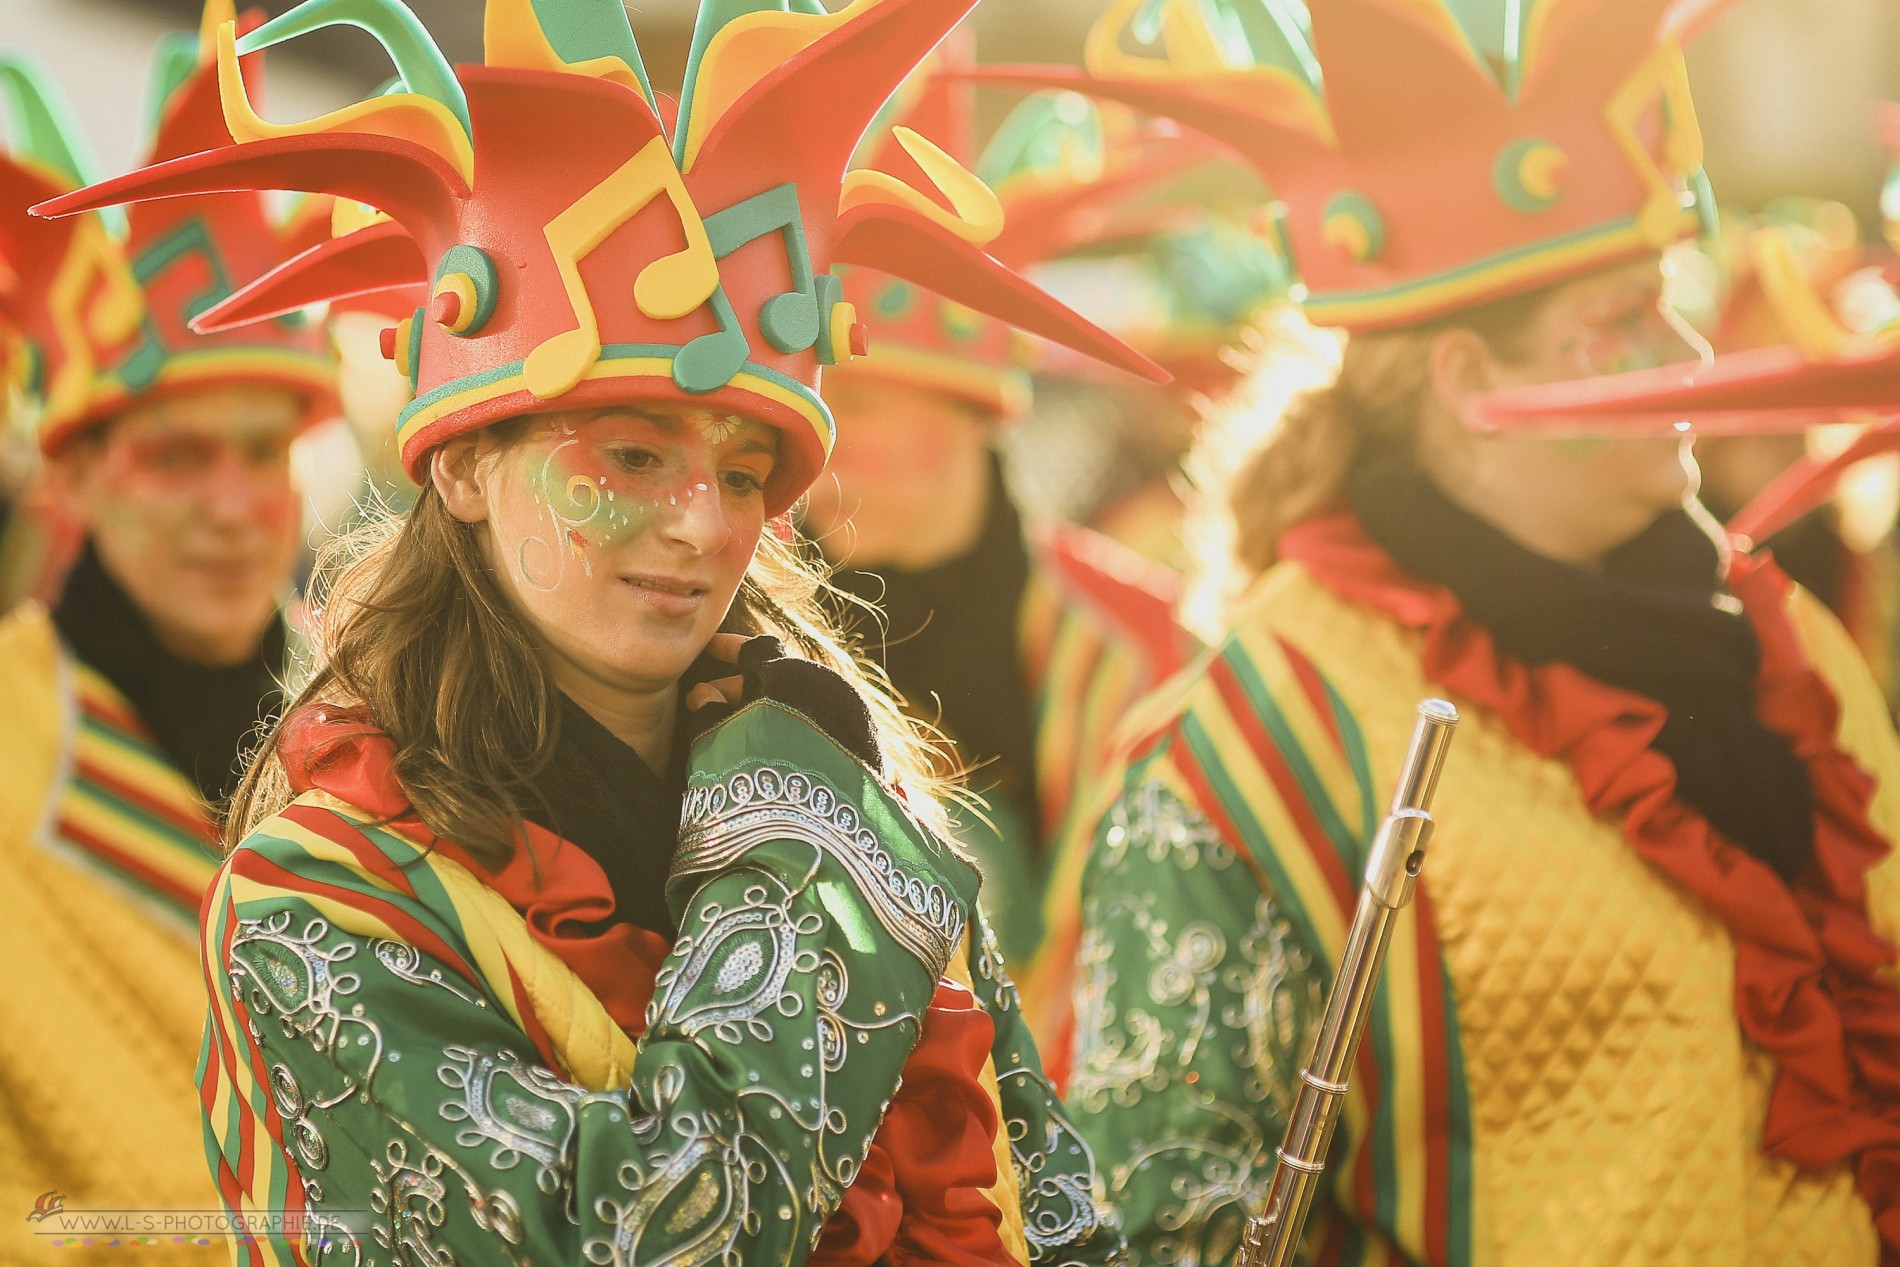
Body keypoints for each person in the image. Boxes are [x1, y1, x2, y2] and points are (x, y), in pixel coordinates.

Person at [39, 0, 1151, 1262]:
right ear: (460, 465)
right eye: (630, 455)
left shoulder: (851, 777)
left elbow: (1060, 1210)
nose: (699, 525)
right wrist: (802, 854)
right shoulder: (319, 902)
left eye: (742, 475)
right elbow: (649, 1235)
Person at [992, 0, 1900, 1263]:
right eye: (1622, 321)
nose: (1687, 351)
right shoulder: (1262, 736)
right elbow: (1158, 1225)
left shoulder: (1789, 644)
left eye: (1667, 303)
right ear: (1472, 385)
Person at [0, 24, 337, 1263]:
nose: (233, 505)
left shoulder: (406, 734)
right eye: (176, 456)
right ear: (77, 476)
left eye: (264, 453)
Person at [803, 77, 1196, 1040]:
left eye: (856, 408)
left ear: (973, 415)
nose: (813, 445)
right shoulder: (730, 618)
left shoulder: (1140, 651)